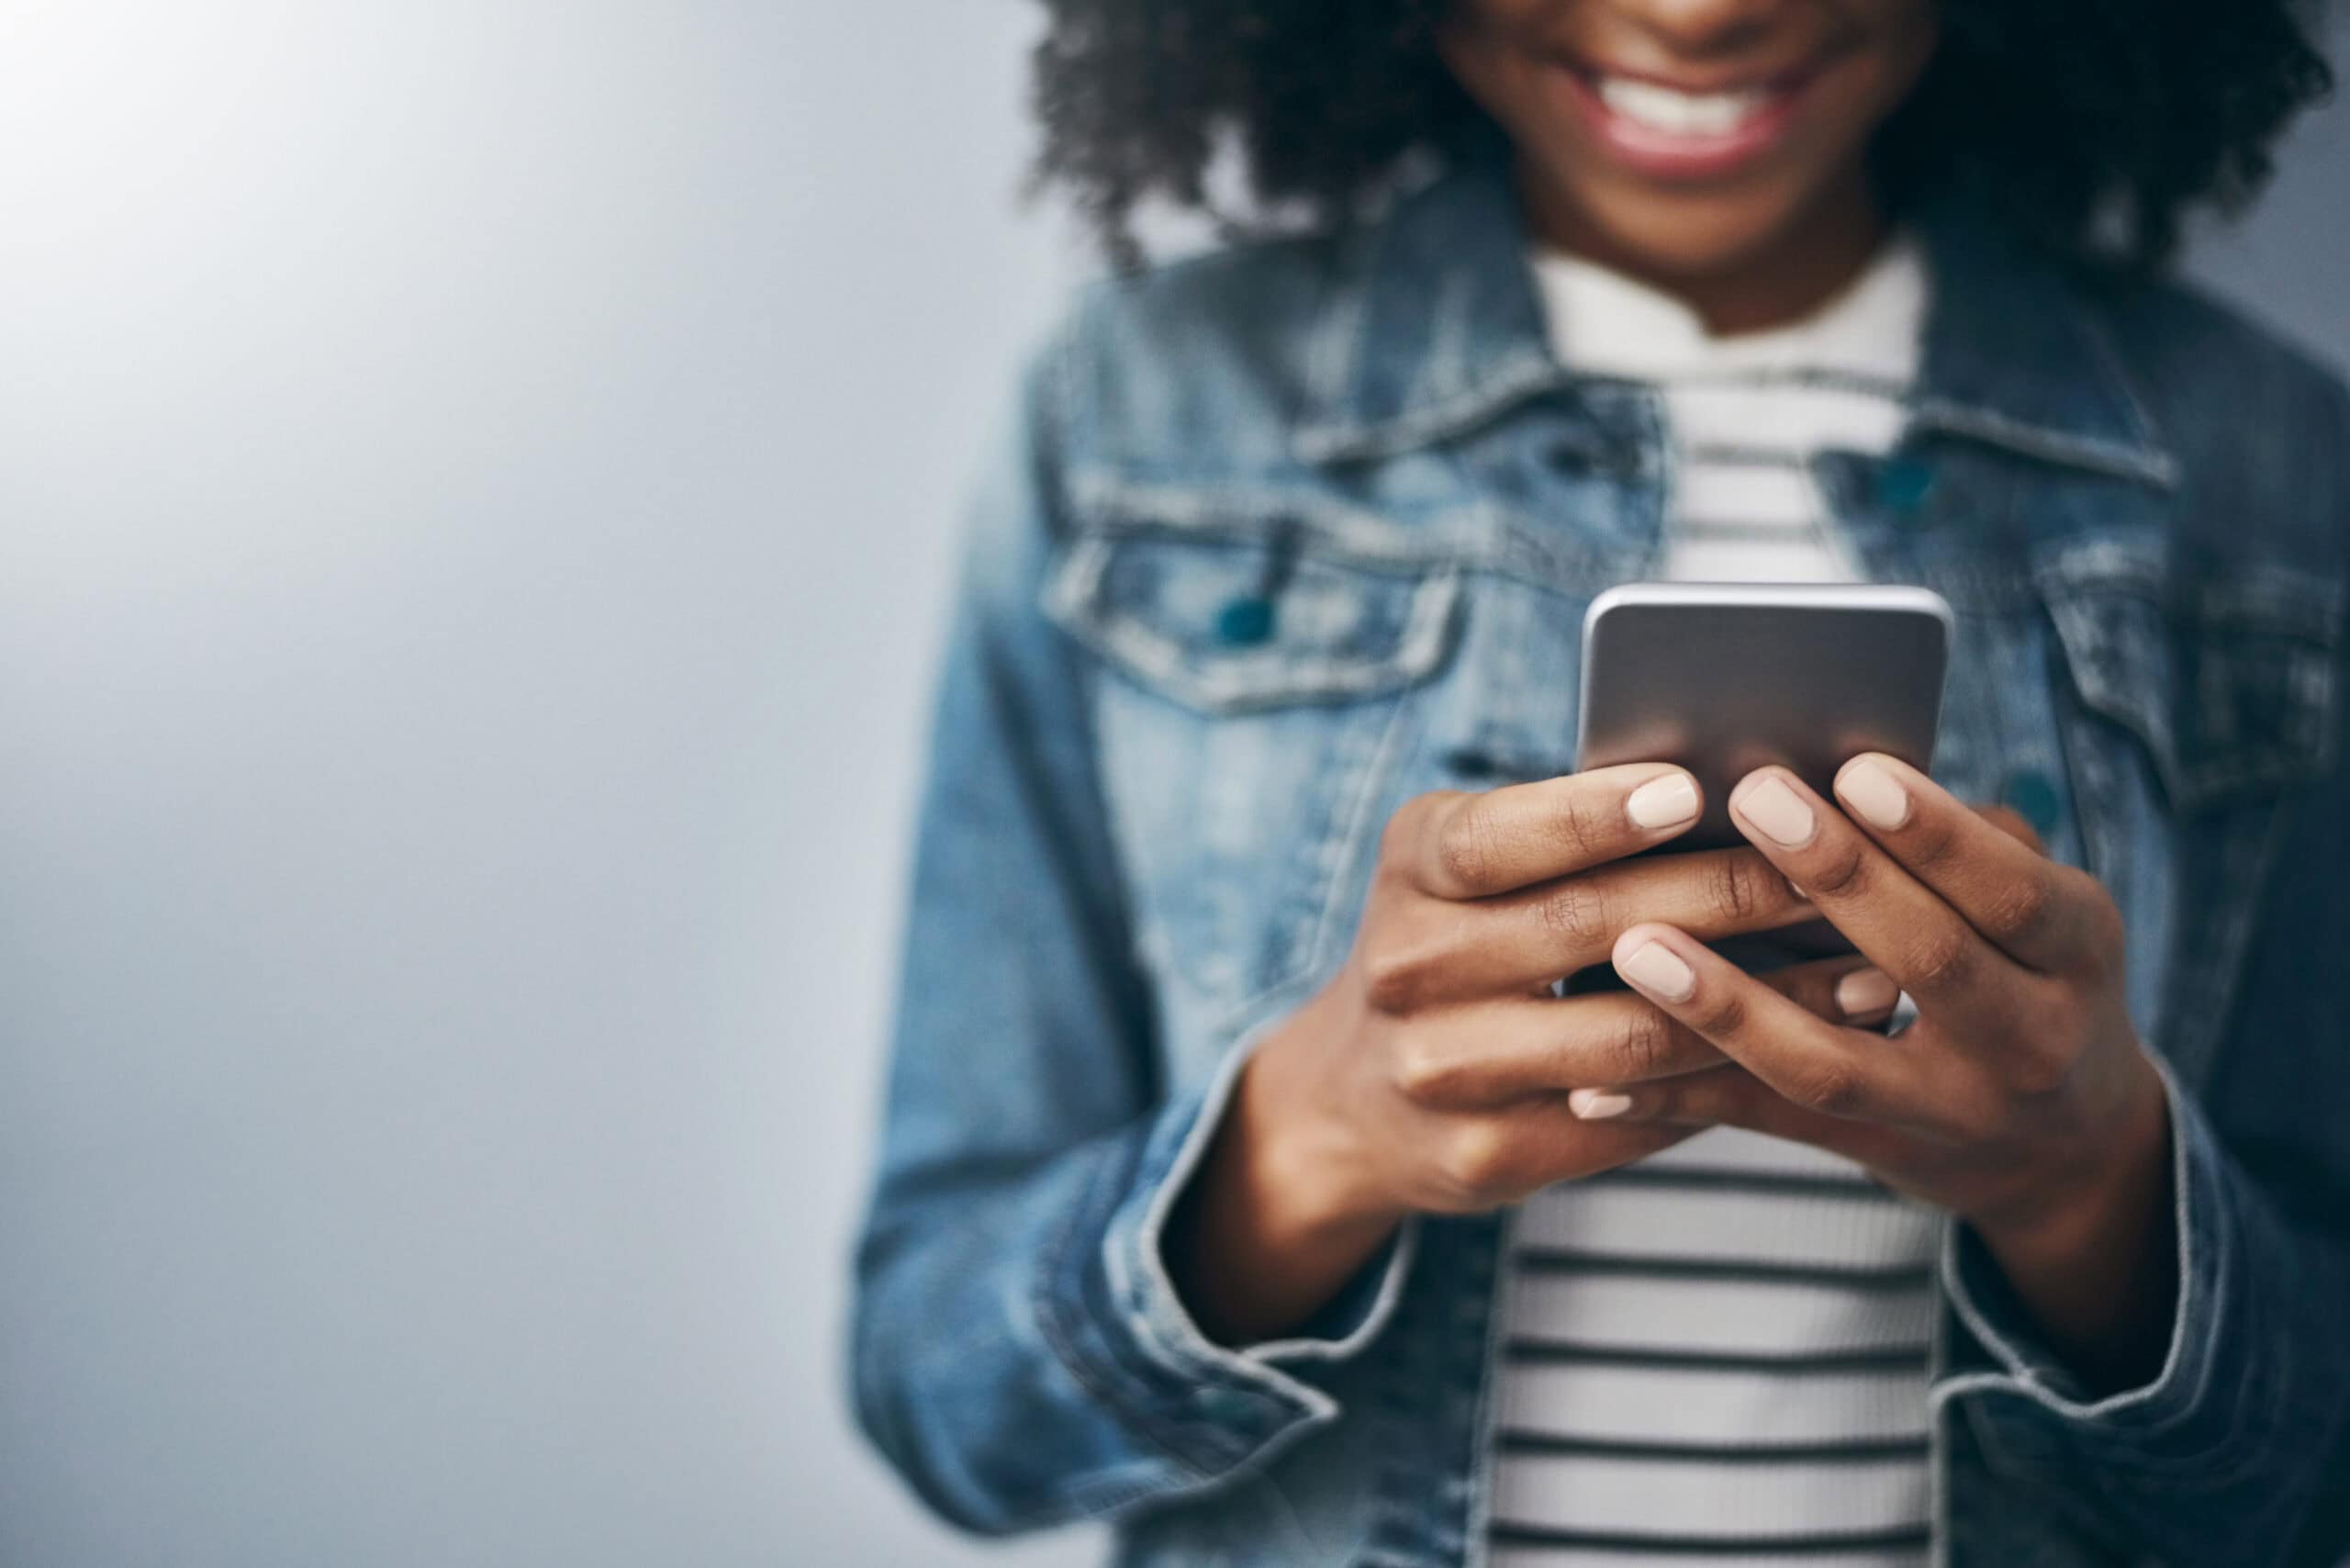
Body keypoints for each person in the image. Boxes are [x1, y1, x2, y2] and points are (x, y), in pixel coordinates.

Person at [850, 1, 2350, 1562]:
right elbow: (944, 1398)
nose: (1698, 15)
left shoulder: (2276, 475)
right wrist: (1311, 1139)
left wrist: (2097, 1187)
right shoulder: (1139, 421)